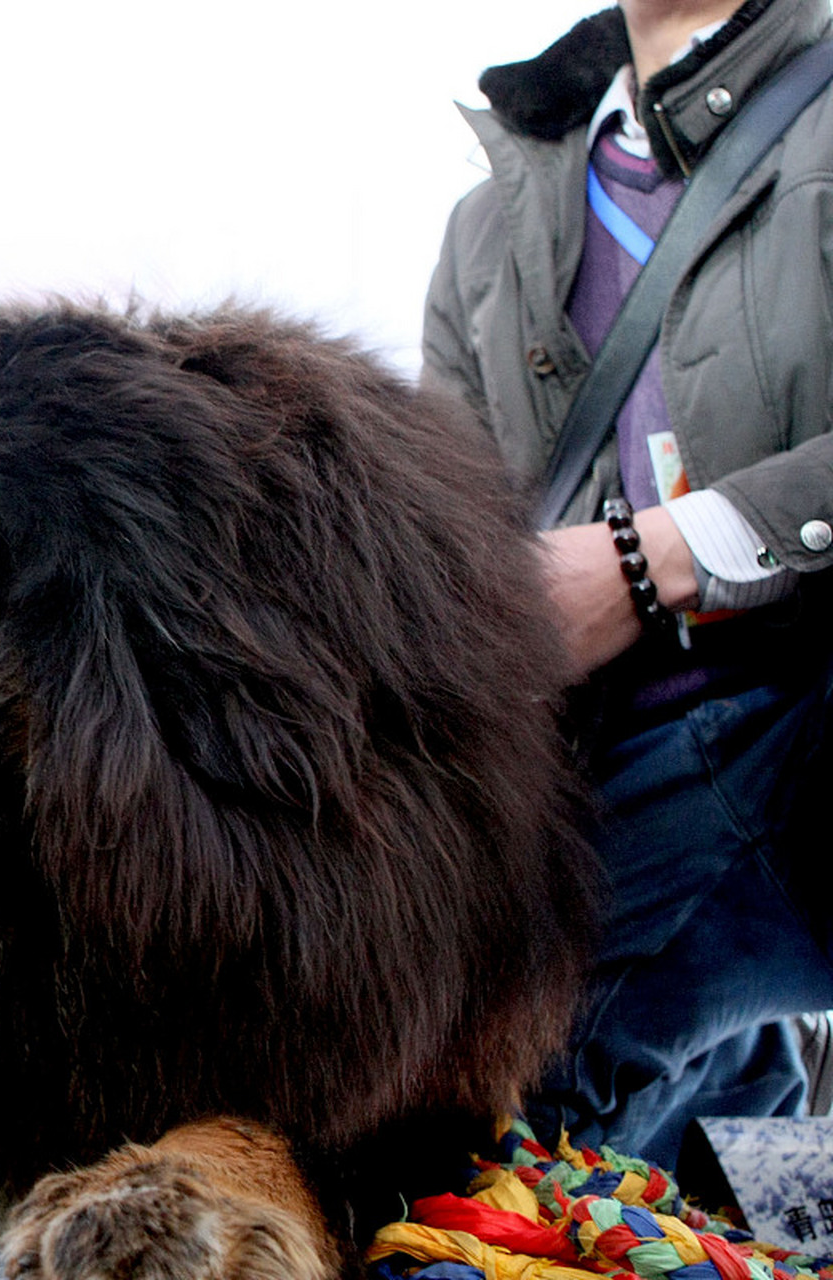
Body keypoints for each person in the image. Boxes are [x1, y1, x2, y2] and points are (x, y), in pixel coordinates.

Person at [422, 0, 833, 1172]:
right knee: (457, 1105)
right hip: (592, 778)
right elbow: (451, 528)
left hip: (784, 720)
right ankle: (757, 1132)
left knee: (468, 1132)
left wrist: (654, 558)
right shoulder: (488, 220)